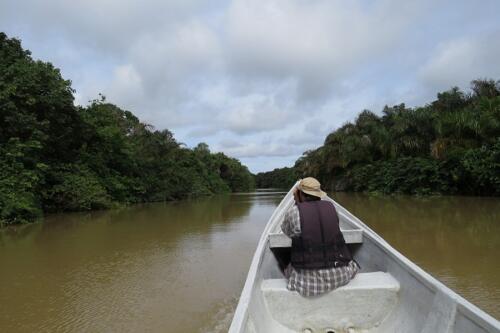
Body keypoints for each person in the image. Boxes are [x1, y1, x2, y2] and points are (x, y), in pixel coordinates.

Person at [281, 177, 359, 297]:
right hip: (340, 277)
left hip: (306, 284)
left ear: (300, 194)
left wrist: (298, 203)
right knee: (352, 262)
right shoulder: (332, 208)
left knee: (285, 264)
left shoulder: (293, 212)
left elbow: (287, 232)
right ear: (319, 194)